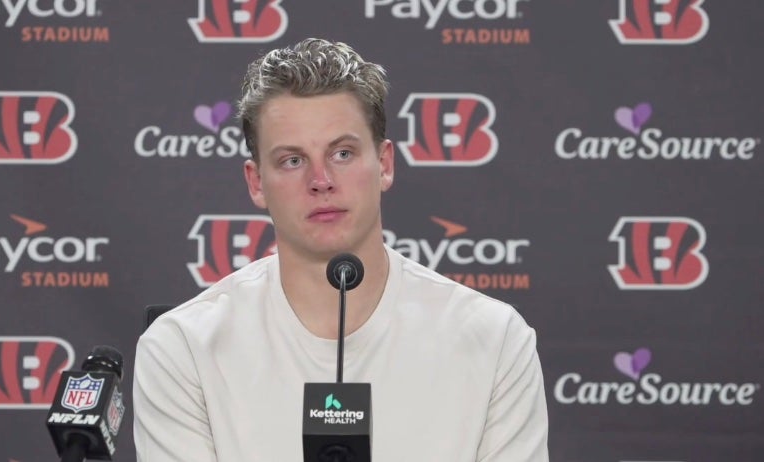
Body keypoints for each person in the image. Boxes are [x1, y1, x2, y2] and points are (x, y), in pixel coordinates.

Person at [133, 38, 549, 461]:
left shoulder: (494, 339)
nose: (321, 180)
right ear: (256, 182)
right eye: (292, 161)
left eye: (343, 153)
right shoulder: (182, 349)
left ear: (384, 164)